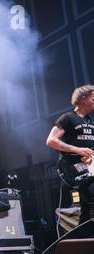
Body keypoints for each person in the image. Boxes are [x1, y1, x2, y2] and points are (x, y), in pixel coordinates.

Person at [46, 84, 94, 225]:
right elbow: (51, 141)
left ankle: (83, 241)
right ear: (83, 99)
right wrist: (77, 150)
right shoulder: (68, 118)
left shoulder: (90, 121)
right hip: (76, 168)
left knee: (87, 208)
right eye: (93, 98)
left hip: (90, 168)